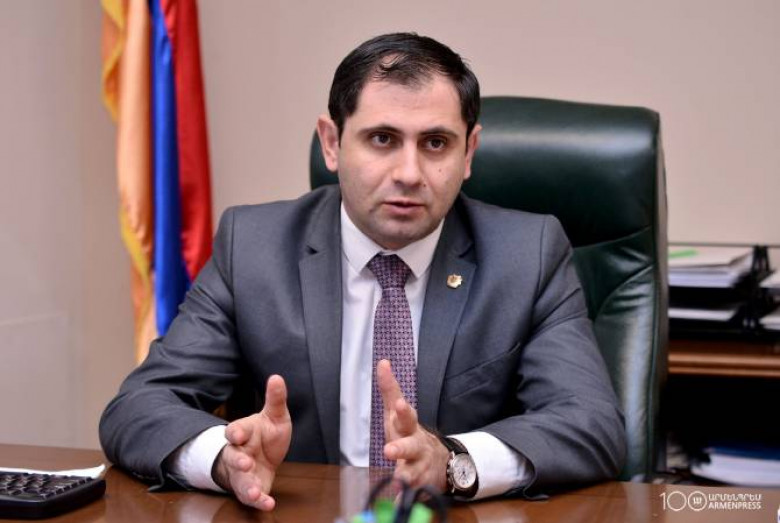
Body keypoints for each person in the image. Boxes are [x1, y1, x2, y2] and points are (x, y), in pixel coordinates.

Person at [100, 32, 626, 511]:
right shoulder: (254, 247)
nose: (409, 173)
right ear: (332, 143)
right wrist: (224, 458)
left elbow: (591, 426)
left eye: (436, 143)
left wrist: (452, 463)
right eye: (382, 139)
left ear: (469, 152)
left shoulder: (527, 254)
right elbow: (139, 406)